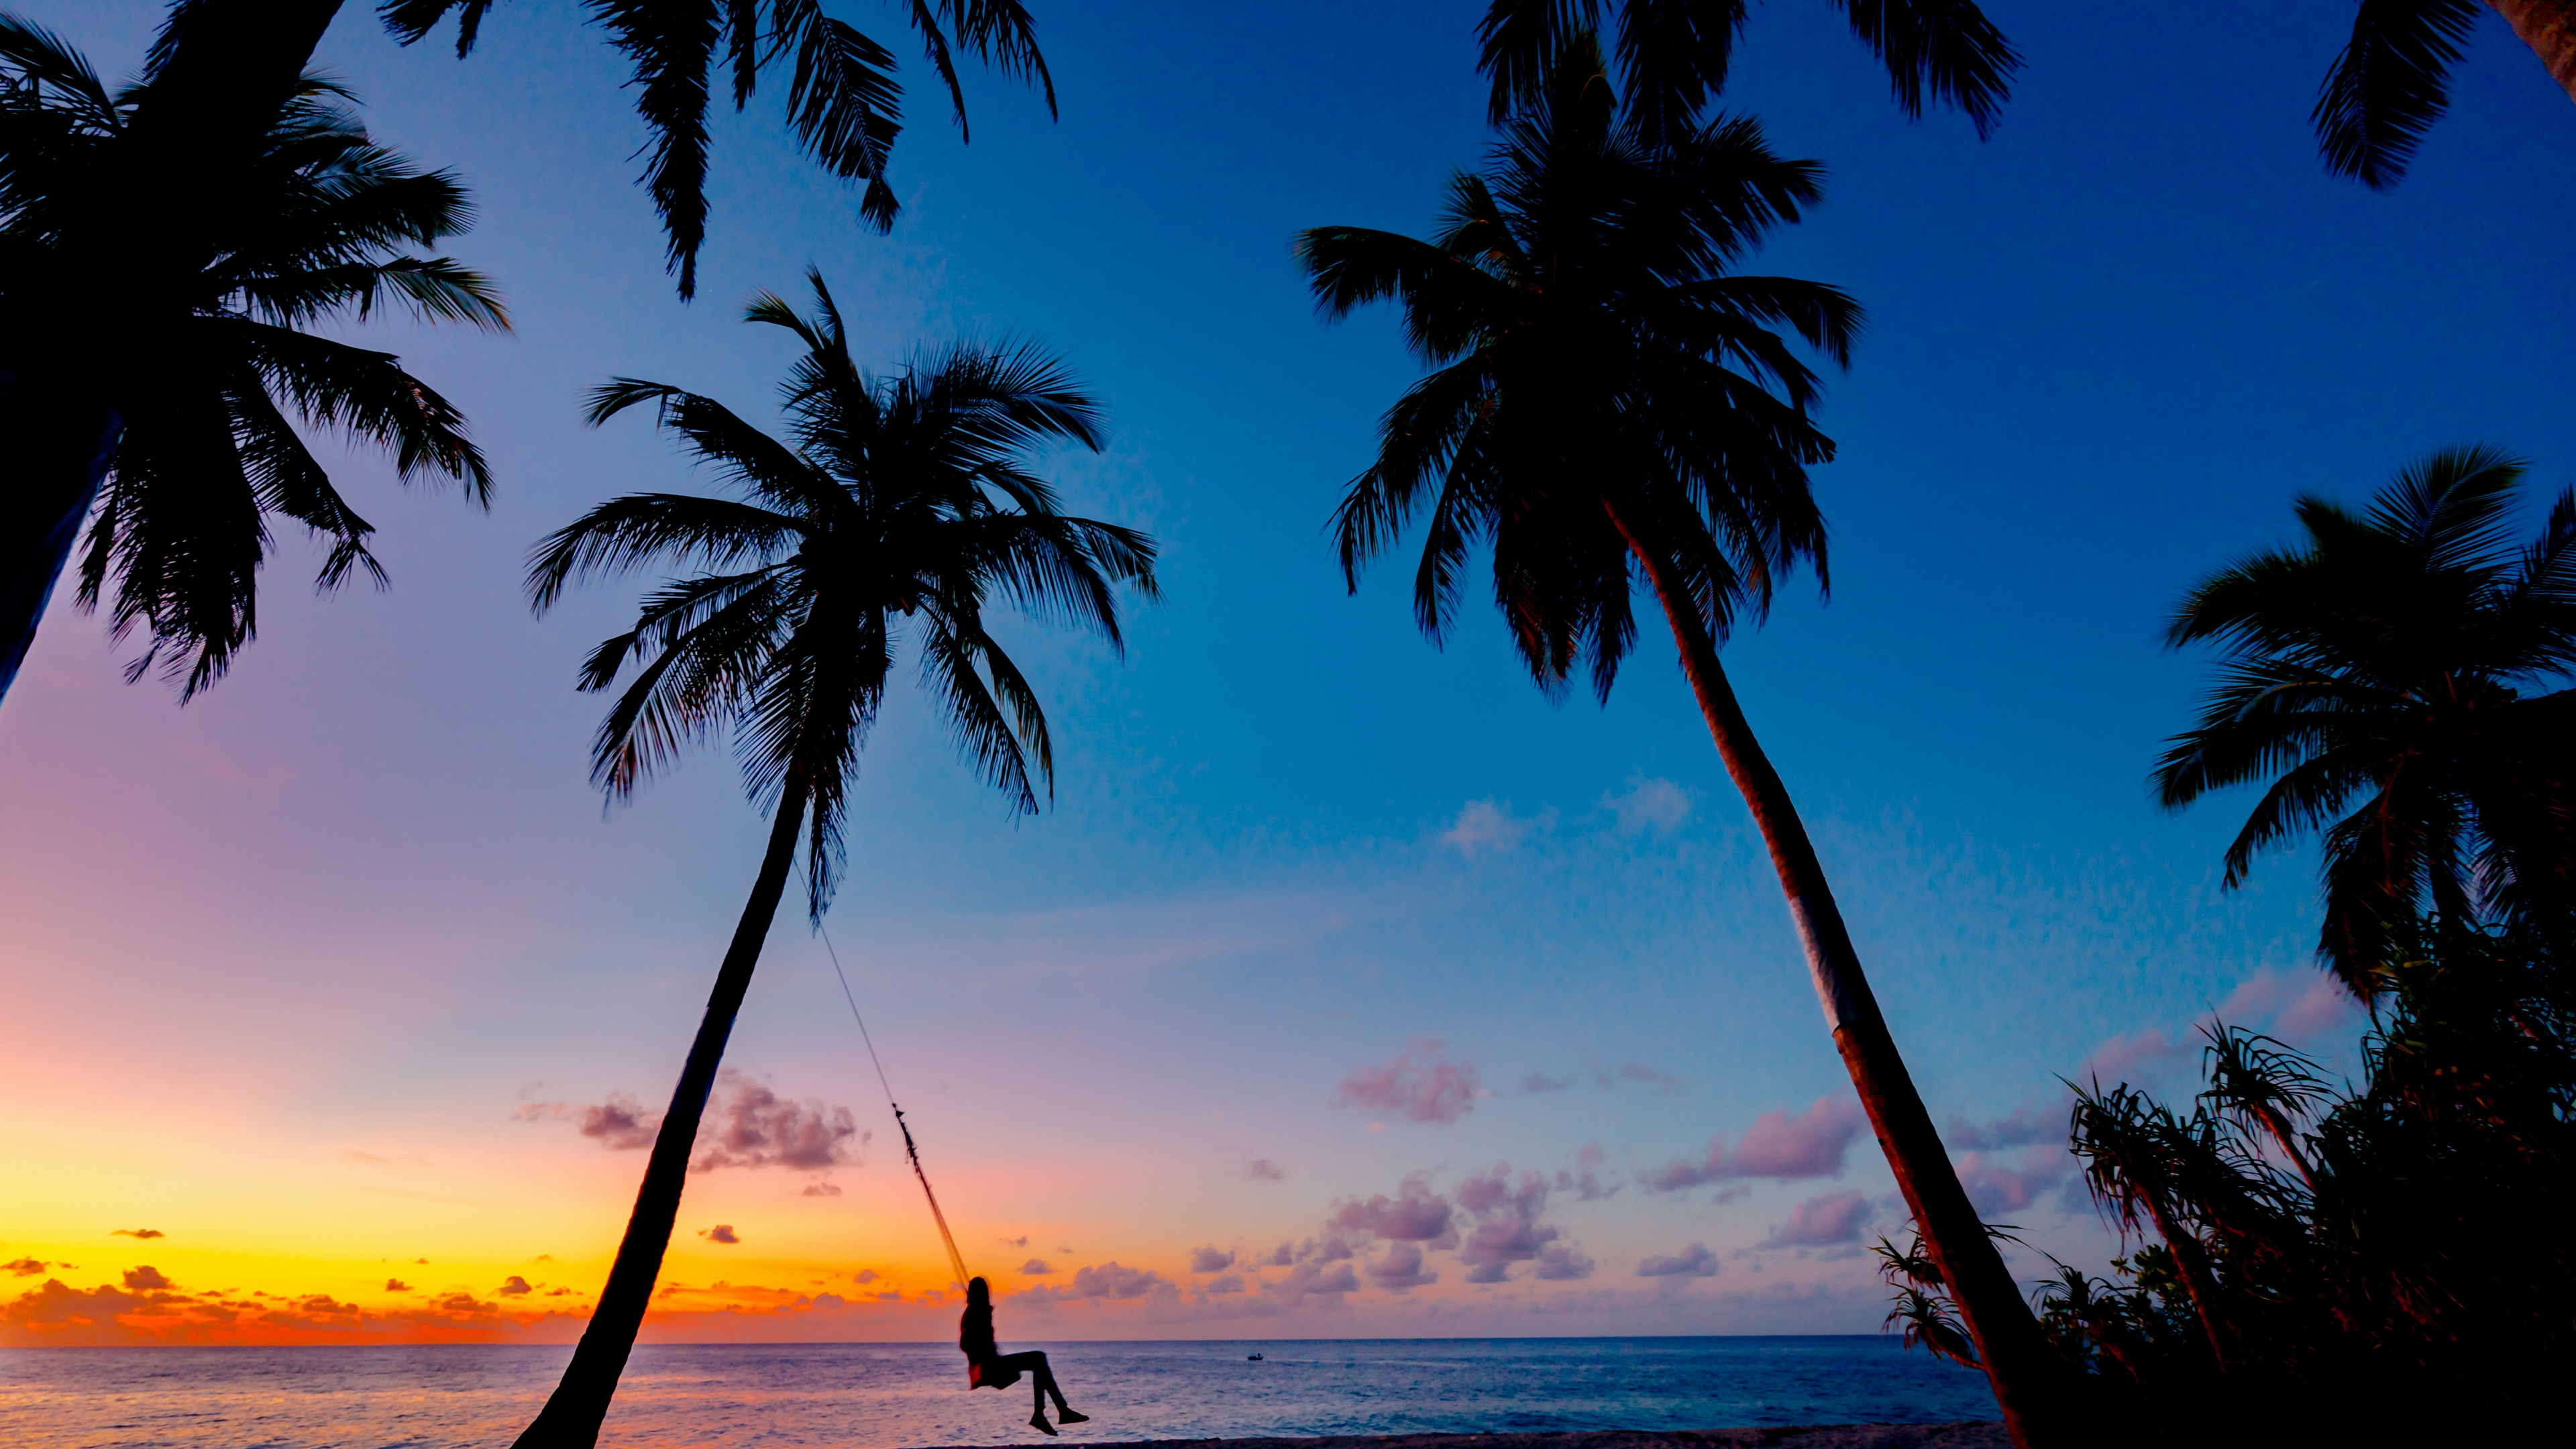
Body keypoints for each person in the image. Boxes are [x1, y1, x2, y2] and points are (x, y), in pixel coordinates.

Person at [960, 1276, 1089, 1435]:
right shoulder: (974, 1313)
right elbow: (965, 1343)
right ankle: (1054, 1412)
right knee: (1038, 1358)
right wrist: (983, 1328)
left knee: (1038, 1361)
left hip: (989, 1365)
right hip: (986, 1368)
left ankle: (1050, 1413)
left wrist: (985, 1319)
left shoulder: (978, 1312)